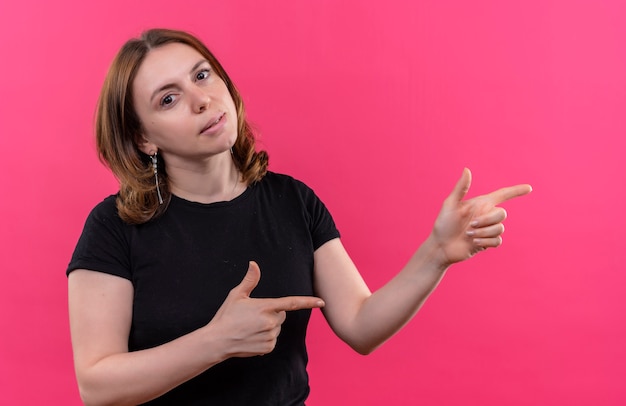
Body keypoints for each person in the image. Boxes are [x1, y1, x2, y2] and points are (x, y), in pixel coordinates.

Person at [67, 28, 532, 405]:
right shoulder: (113, 227)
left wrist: (437, 253)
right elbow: (96, 385)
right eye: (168, 99)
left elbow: (361, 325)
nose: (201, 100)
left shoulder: (292, 201)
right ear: (144, 139)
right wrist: (216, 341)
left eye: (203, 75)